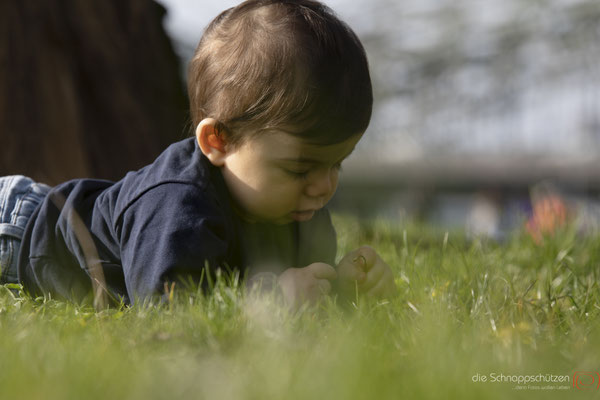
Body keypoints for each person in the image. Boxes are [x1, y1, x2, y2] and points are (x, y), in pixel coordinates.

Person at [0, 0, 396, 309]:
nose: (324, 187)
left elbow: (301, 291)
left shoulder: (295, 208)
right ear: (218, 142)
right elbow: (168, 310)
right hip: (17, 232)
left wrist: (345, 287)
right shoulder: (176, 206)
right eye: (299, 169)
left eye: (336, 163)